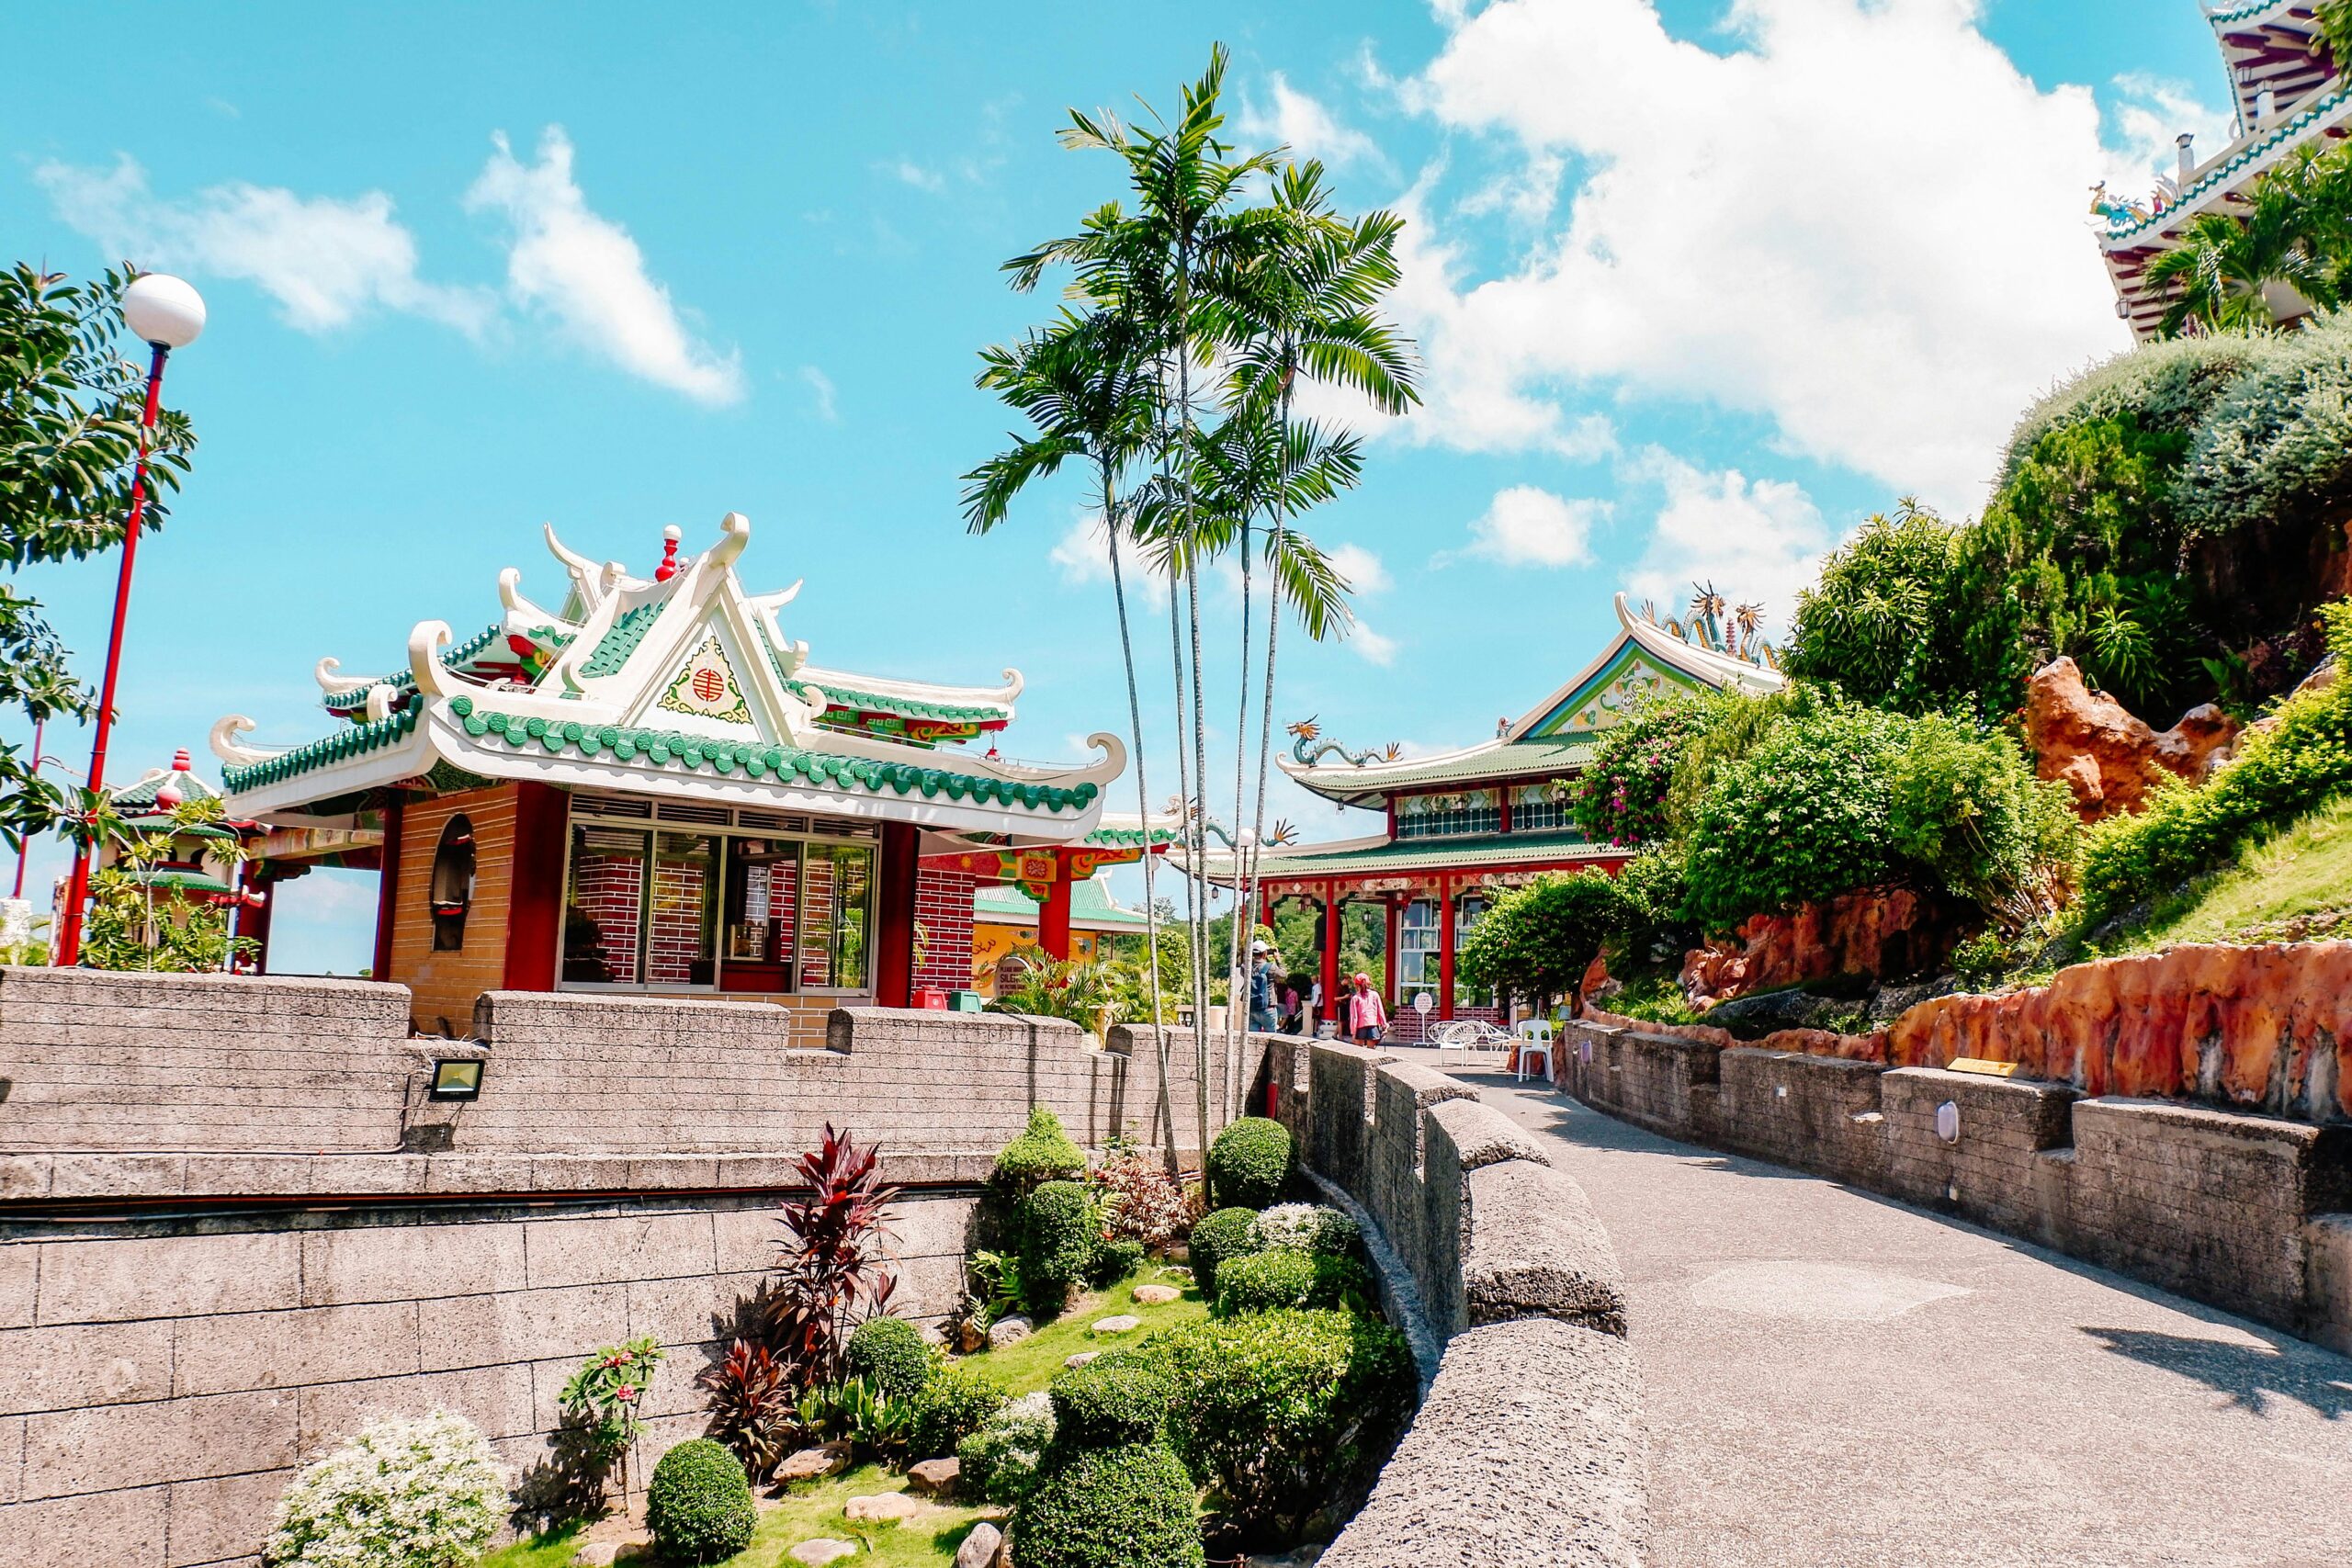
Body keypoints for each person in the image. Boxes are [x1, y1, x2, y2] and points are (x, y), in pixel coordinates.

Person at [1248, 940, 1281, 1032]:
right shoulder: (1271, 967)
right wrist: (1278, 959)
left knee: (1252, 1039)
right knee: (1270, 1038)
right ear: (1264, 953)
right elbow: (1283, 974)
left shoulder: (1246, 967)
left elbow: (1244, 965)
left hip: (1252, 1008)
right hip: (1268, 1007)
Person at [1346, 971, 1386, 1044]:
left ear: (1356, 985)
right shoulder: (1375, 995)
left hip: (1360, 1026)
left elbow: (1354, 1017)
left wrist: (1353, 1032)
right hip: (1372, 1025)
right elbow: (1380, 1011)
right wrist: (1384, 1025)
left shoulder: (1355, 998)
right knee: (1371, 1052)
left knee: (1359, 1052)